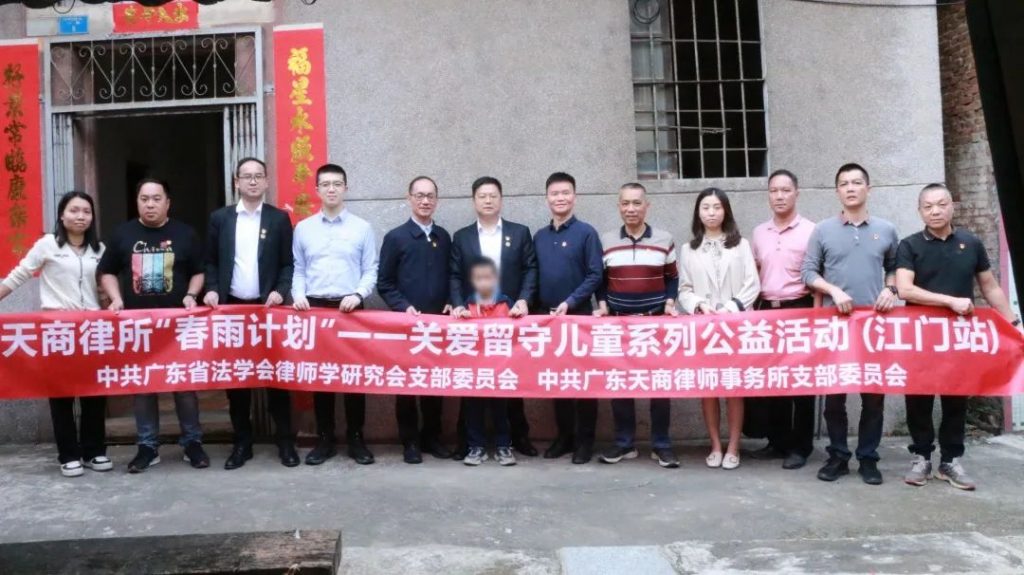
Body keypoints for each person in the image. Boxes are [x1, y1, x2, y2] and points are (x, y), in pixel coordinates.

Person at [896, 183, 1019, 491]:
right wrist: (950, 301)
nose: (935, 211)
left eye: (941, 204)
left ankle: (950, 460)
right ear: (920, 211)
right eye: (928, 206)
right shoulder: (910, 245)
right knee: (918, 397)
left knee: (956, 398)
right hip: (921, 336)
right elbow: (905, 289)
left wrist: (1014, 323)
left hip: (958, 337)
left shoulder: (970, 243)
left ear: (952, 206)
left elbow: (990, 287)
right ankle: (921, 457)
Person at [98, 178, 209, 473]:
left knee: (184, 386)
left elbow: (198, 271)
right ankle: (147, 446)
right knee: (144, 387)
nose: (150, 204)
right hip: (140, 328)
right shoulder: (123, 234)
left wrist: (191, 295)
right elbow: (106, 271)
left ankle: (192, 442)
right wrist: (116, 299)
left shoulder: (185, 233)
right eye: (144, 199)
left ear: (167, 203)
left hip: (179, 328)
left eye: (156, 199)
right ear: (137, 202)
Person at [801, 162, 899, 485]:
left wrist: (890, 289)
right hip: (835, 325)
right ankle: (838, 456)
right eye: (844, 183)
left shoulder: (886, 229)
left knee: (873, 396)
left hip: (874, 325)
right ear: (837, 191)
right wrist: (832, 290)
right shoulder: (823, 230)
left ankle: (868, 458)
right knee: (834, 396)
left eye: (857, 182)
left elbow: (895, 268)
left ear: (868, 188)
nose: (851, 188)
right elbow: (808, 272)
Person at [0, 192, 111, 477]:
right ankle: (69, 454)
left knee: (94, 392)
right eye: (74, 210)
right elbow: (19, 274)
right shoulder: (47, 244)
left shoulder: (99, 249)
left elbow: (106, 286)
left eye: (86, 211)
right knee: (62, 393)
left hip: (92, 330)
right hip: (58, 330)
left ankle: (94, 451)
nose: (80, 216)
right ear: (62, 215)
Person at [203, 157, 298, 470]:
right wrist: (212, 289)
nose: (253, 181)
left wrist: (281, 291)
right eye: (247, 176)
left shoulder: (279, 219)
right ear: (237, 182)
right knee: (238, 380)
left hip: (268, 309)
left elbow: (288, 263)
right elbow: (210, 261)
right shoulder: (220, 218)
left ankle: (286, 442)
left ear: (267, 181)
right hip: (233, 308)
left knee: (276, 378)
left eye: (259, 176)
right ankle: (242, 443)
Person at [292, 163, 377, 466]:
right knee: (321, 377)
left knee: (354, 377)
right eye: (326, 184)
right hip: (315, 308)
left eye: (337, 184)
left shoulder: (362, 228)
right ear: (317, 189)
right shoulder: (304, 228)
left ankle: (356, 438)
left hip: (350, 308)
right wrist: (298, 295)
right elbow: (299, 269)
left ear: (345, 188)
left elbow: (371, 269)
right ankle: (325, 439)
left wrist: (358, 294)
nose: (331, 189)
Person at [449, 176, 538, 459]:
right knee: (474, 382)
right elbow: (454, 275)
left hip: (508, 318)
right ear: (473, 200)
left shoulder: (519, 233)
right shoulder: (462, 237)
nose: (488, 200)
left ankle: (509, 442)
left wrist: (524, 300)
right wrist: (458, 305)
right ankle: (472, 443)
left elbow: (530, 269)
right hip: (472, 320)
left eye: (493, 196)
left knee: (507, 382)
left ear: (501, 199)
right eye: (482, 196)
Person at [594, 183, 680, 469]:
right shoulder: (606, 240)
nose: (631, 209)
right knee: (620, 384)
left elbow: (672, 277)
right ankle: (624, 443)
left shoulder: (664, 239)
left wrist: (670, 302)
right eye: (625, 203)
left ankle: (661, 445)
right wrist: (602, 303)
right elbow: (600, 279)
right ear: (618, 206)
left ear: (647, 206)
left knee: (660, 385)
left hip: (655, 322)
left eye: (636, 203)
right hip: (618, 322)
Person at [678, 187, 760, 471]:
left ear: (726, 211)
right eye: (706, 207)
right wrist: (699, 305)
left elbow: (753, 284)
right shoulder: (688, 249)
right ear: (698, 213)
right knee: (708, 387)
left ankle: (734, 446)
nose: (711, 213)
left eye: (716, 207)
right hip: (704, 327)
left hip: (735, 326)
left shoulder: (741, 245)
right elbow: (684, 289)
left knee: (733, 387)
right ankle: (715, 444)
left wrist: (731, 307)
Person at [377, 175, 453, 464]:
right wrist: (403, 307)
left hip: (437, 326)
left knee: (435, 383)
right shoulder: (396, 237)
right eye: (419, 195)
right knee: (406, 385)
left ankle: (432, 436)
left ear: (437, 200)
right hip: (406, 325)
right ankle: (409, 441)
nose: (425, 201)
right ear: (409, 198)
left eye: (430, 196)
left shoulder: (443, 237)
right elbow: (384, 283)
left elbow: (453, 276)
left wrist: (451, 301)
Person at [747, 169, 818, 470]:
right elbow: (754, 273)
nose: (779, 196)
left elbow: (817, 276)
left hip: (800, 307)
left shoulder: (812, 230)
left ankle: (800, 447)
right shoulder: (759, 233)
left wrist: (816, 316)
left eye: (785, 190)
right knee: (774, 379)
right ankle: (777, 441)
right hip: (766, 309)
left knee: (800, 381)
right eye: (774, 191)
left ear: (796, 193)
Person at [534, 172, 604, 464]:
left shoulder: (586, 233)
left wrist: (571, 301)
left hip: (579, 319)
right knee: (557, 381)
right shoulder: (539, 236)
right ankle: (564, 437)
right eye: (554, 193)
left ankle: (585, 442)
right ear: (546, 198)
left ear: (575, 197)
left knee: (584, 382)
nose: (560, 198)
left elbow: (595, 274)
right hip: (548, 320)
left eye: (565, 193)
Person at [460, 257, 517, 467]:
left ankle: (504, 446)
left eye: (488, 277)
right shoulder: (467, 304)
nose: (483, 282)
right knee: (473, 409)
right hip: (474, 370)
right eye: (478, 278)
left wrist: (518, 315)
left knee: (501, 409)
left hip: (500, 369)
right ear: (473, 280)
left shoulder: (506, 303)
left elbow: (519, 331)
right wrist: (459, 316)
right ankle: (476, 447)